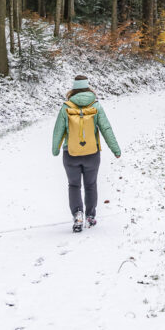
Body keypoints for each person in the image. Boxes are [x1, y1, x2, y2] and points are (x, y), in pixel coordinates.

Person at [52, 75, 121, 232]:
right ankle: (90, 216)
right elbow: (106, 129)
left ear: (74, 89)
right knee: (91, 184)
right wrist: (115, 149)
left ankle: (77, 215)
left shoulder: (66, 107)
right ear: (88, 87)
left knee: (74, 185)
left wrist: (55, 149)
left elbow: (58, 131)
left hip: (70, 154)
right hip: (92, 153)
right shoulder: (96, 106)